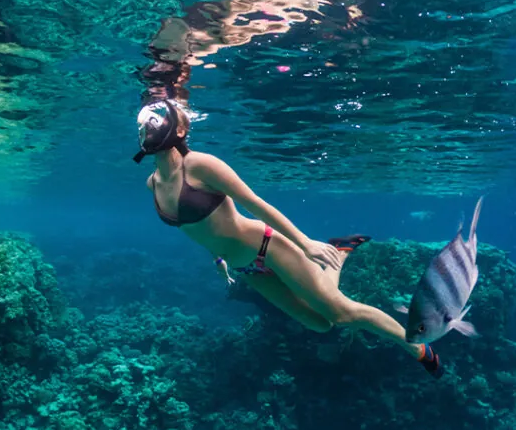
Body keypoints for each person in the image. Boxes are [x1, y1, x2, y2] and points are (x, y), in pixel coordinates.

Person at [134, 99, 444, 378]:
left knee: (340, 312)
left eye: (155, 121)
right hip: (246, 270)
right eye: (143, 124)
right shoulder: (153, 184)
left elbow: (256, 204)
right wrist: (219, 260)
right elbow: (200, 231)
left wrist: (305, 243)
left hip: (267, 246)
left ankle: (415, 346)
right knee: (321, 324)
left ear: (179, 127)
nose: (148, 126)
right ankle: (339, 253)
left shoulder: (201, 165)